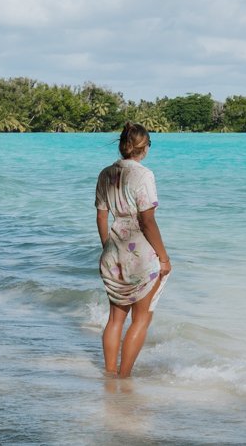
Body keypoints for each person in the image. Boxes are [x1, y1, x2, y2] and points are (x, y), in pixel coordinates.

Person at [95, 122, 171, 378]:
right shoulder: (143, 174)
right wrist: (164, 257)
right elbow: (147, 221)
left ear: (121, 145)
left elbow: (101, 217)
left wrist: (108, 247)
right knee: (141, 319)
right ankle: (124, 378)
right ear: (145, 147)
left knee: (115, 319)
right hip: (140, 254)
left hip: (113, 251)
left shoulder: (105, 173)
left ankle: (109, 376)